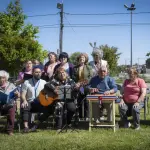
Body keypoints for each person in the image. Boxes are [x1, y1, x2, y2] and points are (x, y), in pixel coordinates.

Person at [45, 67, 77, 132]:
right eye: (60, 73)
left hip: (69, 99)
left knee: (72, 109)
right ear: (58, 75)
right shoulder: (55, 80)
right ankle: (59, 127)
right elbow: (46, 85)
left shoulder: (70, 81)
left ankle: (68, 122)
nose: (62, 74)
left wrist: (78, 88)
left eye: (63, 72)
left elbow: (77, 89)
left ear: (66, 73)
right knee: (59, 107)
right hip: (58, 100)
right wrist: (54, 89)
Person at [21, 65, 47, 132]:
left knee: (48, 108)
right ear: (32, 73)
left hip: (40, 102)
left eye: (39, 72)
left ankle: (36, 125)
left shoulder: (44, 82)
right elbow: (23, 94)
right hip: (30, 102)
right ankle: (26, 127)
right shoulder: (27, 82)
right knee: (25, 106)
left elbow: (47, 94)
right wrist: (24, 100)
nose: (38, 73)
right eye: (36, 72)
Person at [73, 53, 93, 119]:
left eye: (83, 57)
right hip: (78, 86)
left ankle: (87, 116)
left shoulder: (89, 67)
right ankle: (81, 116)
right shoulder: (75, 68)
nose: (82, 58)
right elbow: (73, 77)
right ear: (78, 59)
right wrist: (76, 84)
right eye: (80, 57)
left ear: (85, 59)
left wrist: (81, 83)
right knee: (79, 100)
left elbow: (90, 78)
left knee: (86, 100)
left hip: (86, 86)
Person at [0, 70, 20, 135]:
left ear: (6, 78)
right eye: (0, 77)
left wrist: (17, 95)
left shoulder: (12, 86)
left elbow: (16, 97)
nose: (1, 79)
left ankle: (10, 130)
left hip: (9, 105)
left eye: (3, 77)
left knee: (12, 108)